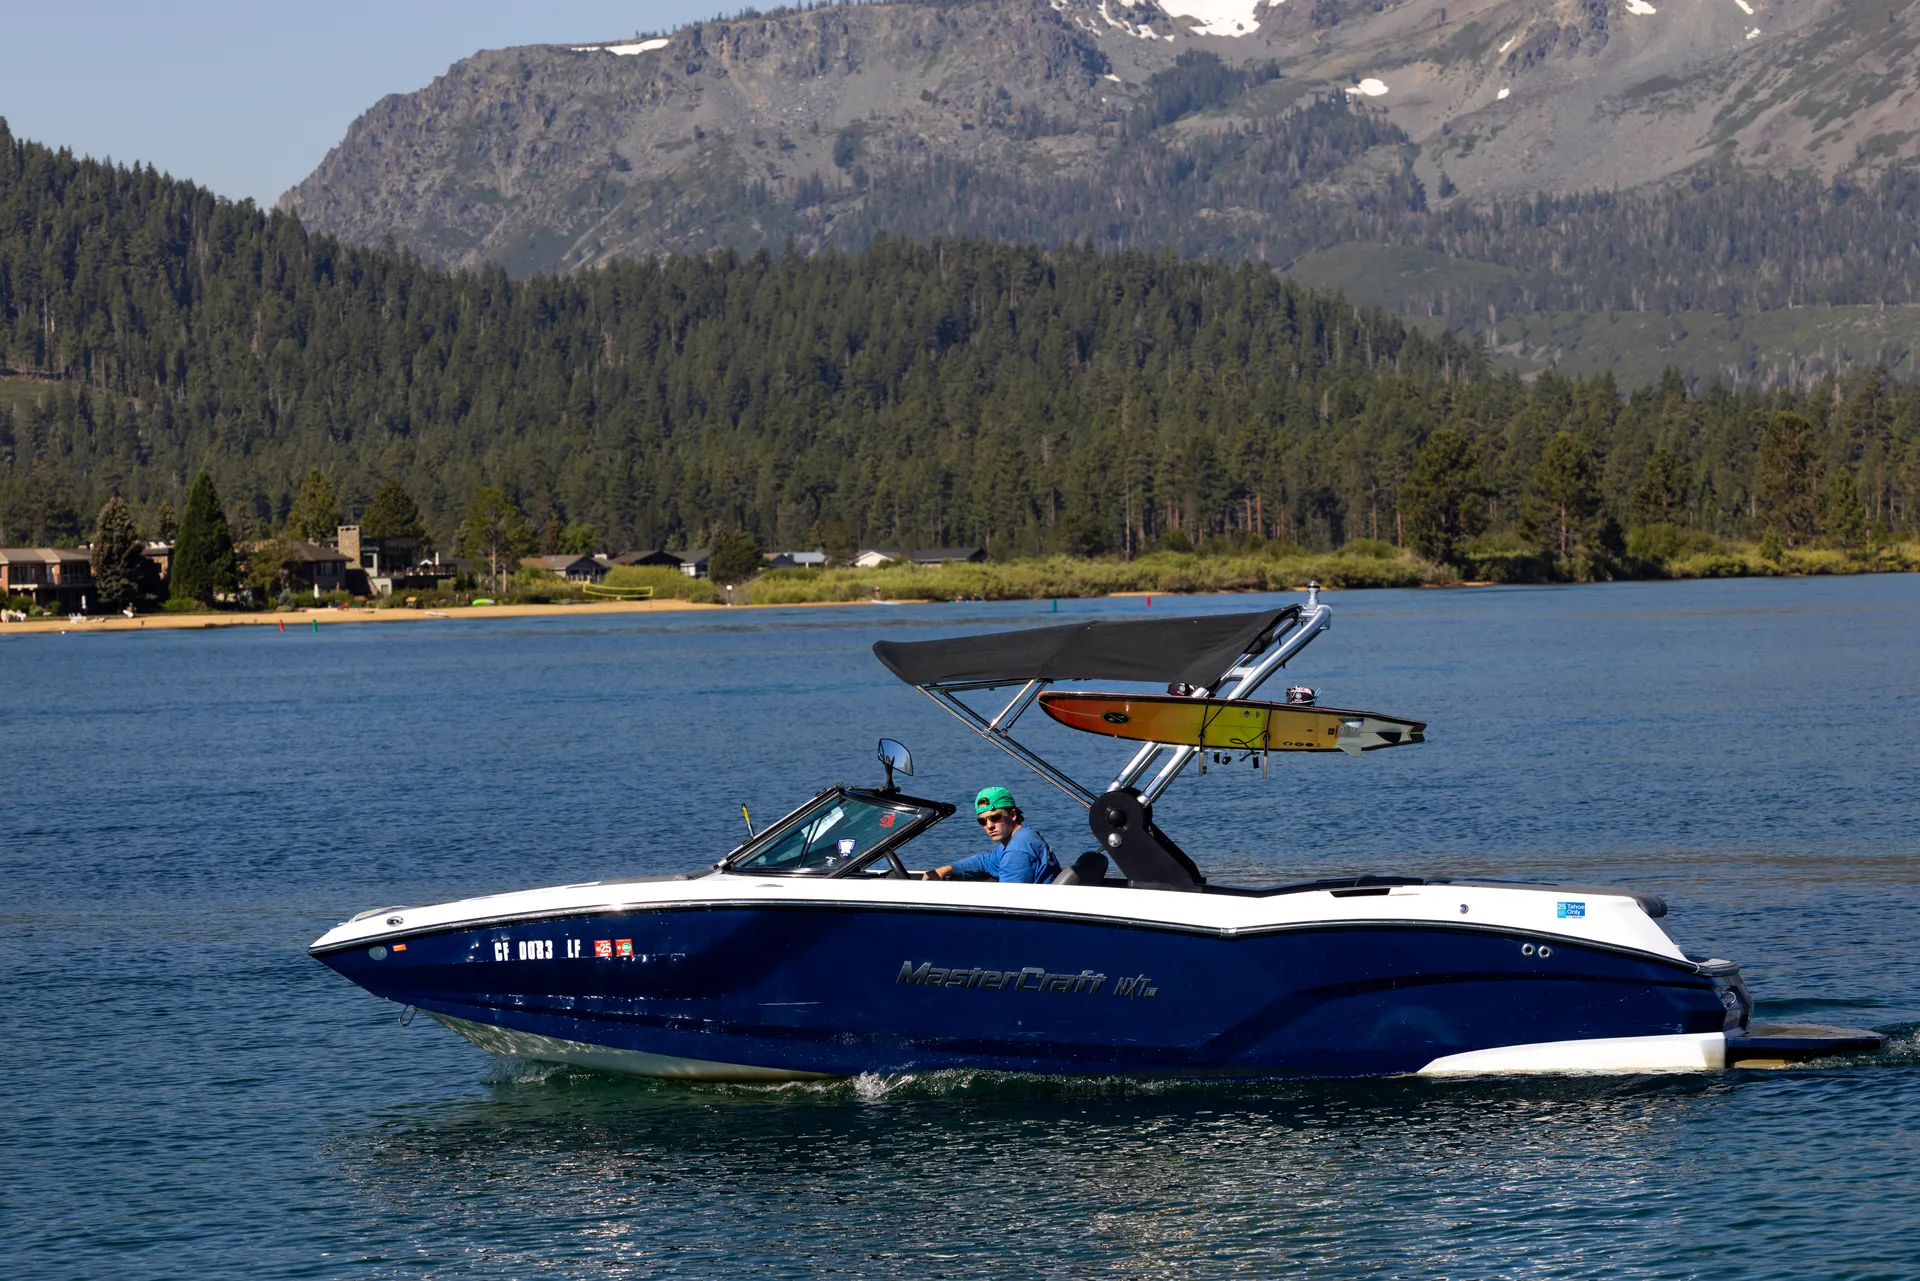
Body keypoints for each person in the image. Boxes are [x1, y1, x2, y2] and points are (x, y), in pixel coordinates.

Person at [926, 787, 1060, 884]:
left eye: (995, 818)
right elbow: (984, 861)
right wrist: (946, 870)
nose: (989, 825)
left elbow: (1006, 905)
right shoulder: (1022, 836)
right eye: (982, 821)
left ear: (1013, 815)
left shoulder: (1017, 851)